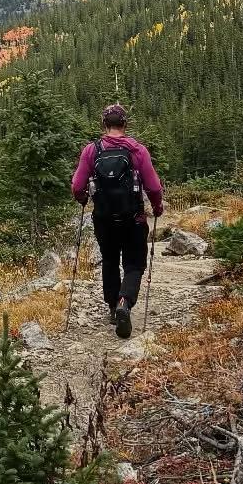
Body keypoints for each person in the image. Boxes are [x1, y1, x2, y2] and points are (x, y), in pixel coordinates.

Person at [71, 103, 163, 339]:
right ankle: (125, 302)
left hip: (104, 218)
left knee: (110, 261)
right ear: (125, 124)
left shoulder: (91, 151)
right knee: (134, 264)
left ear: (104, 124)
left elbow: (77, 187)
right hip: (133, 219)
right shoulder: (137, 151)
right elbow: (153, 186)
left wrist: (83, 198)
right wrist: (157, 207)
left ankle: (113, 307)